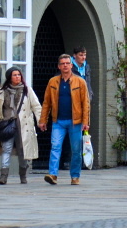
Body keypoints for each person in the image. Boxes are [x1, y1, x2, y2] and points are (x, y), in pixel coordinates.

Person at [38, 54, 90, 185]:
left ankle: (75, 176)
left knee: (76, 150)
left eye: (67, 63)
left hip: (75, 122)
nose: (65, 65)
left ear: (71, 65)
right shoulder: (53, 82)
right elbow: (46, 103)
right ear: (59, 66)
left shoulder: (80, 82)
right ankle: (53, 174)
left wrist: (85, 122)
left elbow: (85, 103)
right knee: (55, 146)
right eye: (62, 63)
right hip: (58, 121)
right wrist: (43, 120)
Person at [0, 67, 42, 185]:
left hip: (23, 125)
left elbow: (36, 106)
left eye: (19, 75)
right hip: (7, 124)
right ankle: (3, 176)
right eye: (14, 75)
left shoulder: (27, 90)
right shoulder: (3, 92)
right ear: (9, 77)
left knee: (23, 151)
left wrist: (40, 121)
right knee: (6, 148)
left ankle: (23, 175)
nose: (17, 77)